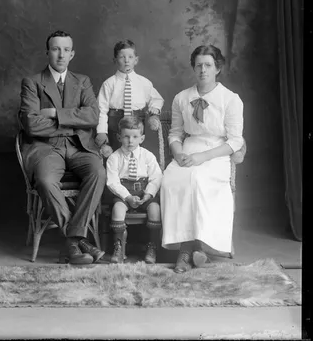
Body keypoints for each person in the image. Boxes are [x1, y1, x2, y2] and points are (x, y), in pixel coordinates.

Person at [19, 30, 106, 265]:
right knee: (46, 182)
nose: (61, 54)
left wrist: (56, 114)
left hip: (80, 147)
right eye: (56, 49)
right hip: (47, 148)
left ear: (72, 54)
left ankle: (72, 241)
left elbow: (92, 116)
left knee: (98, 173)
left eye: (66, 50)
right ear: (47, 52)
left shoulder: (83, 81)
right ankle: (80, 241)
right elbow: (31, 125)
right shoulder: (32, 82)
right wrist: (71, 123)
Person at [160, 44, 244, 273]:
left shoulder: (230, 99)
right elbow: (175, 133)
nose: (203, 70)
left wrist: (203, 157)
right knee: (170, 180)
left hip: (216, 153)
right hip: (188, 150)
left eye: (208, 65)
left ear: (218, 68)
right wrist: (179, 154)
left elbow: (235, 140)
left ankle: (188, 250)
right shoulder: (182, 98)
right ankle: (192, 246)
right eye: (198, 65)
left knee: (197, 180)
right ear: (193, 68)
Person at [106, 116, 163, 264]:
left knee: (155, 209)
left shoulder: (147, 156)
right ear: (119, 137)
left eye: (135, 137)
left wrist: (148, 194)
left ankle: (152, 247)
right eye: (126, 136)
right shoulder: (114, 157)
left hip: (144, 192)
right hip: (124, 193)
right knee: (117, 209)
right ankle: (118, 248)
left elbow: (156, 177)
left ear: (142, 138)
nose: (130, 141)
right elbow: (112, 182)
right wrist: (127, 197)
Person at [95, 39, 164, 154]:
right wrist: (101, 131)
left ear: (136, 60)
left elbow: (157, 98)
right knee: (116, 155)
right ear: (115, 60)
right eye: (122, 57)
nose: (126, 61)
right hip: (115, 124)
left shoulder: (143, 82)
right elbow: (101, 109)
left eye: (130, 57)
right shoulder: (109, 84)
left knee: (135, 154)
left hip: (137, 123)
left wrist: (154, 108)